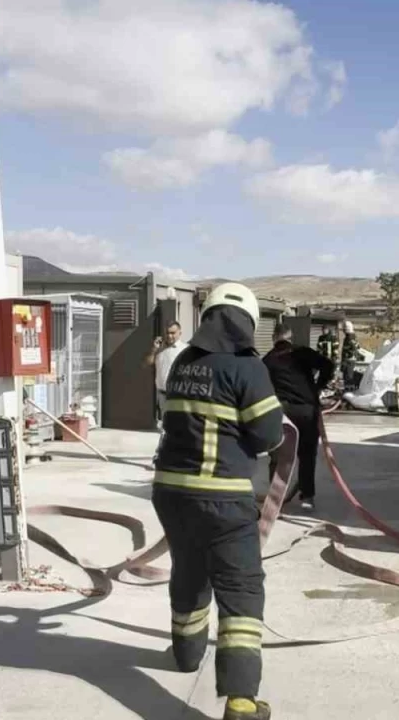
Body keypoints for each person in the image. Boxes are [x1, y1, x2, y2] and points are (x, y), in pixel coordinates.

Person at [152, 282, 284, 720]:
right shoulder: (247, 368)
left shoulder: (183, 362)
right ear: (247, 322)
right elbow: (268, 436)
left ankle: (186, 656)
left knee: (189, 571)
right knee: (241, 590)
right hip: (224, 499)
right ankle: (242, 701)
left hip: (171, 494)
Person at [262, 325, 335, 512]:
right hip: (307, 411)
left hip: (282, 413)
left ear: (273, 337)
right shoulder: (302, 352)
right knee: (307, 455)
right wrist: (318, 387)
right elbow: (328, 365)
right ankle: (307, 497)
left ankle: (275, 499)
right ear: (290, 337)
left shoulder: (268, 360)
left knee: (278, 456)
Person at [145, 321, 188, 428]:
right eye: (167, 333)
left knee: (178, 424)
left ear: (180, 333)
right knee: (166, 424)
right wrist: (154, 349)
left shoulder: (185, 349)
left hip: (178, 393)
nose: (169, 336)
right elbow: (147, 363)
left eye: (173, 333)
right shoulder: (159, 349)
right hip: (162, 394)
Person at [340, 320, 360, 389]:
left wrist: (344, 363)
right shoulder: (354, 337)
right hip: (351, 361)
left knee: (348, 378)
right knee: (349, 377)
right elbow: (358, 347)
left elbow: (349, 351)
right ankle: (349, 390)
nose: (343, 330)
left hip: (348, 361)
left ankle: (348, 391)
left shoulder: (349, 338)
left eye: (344, 329)